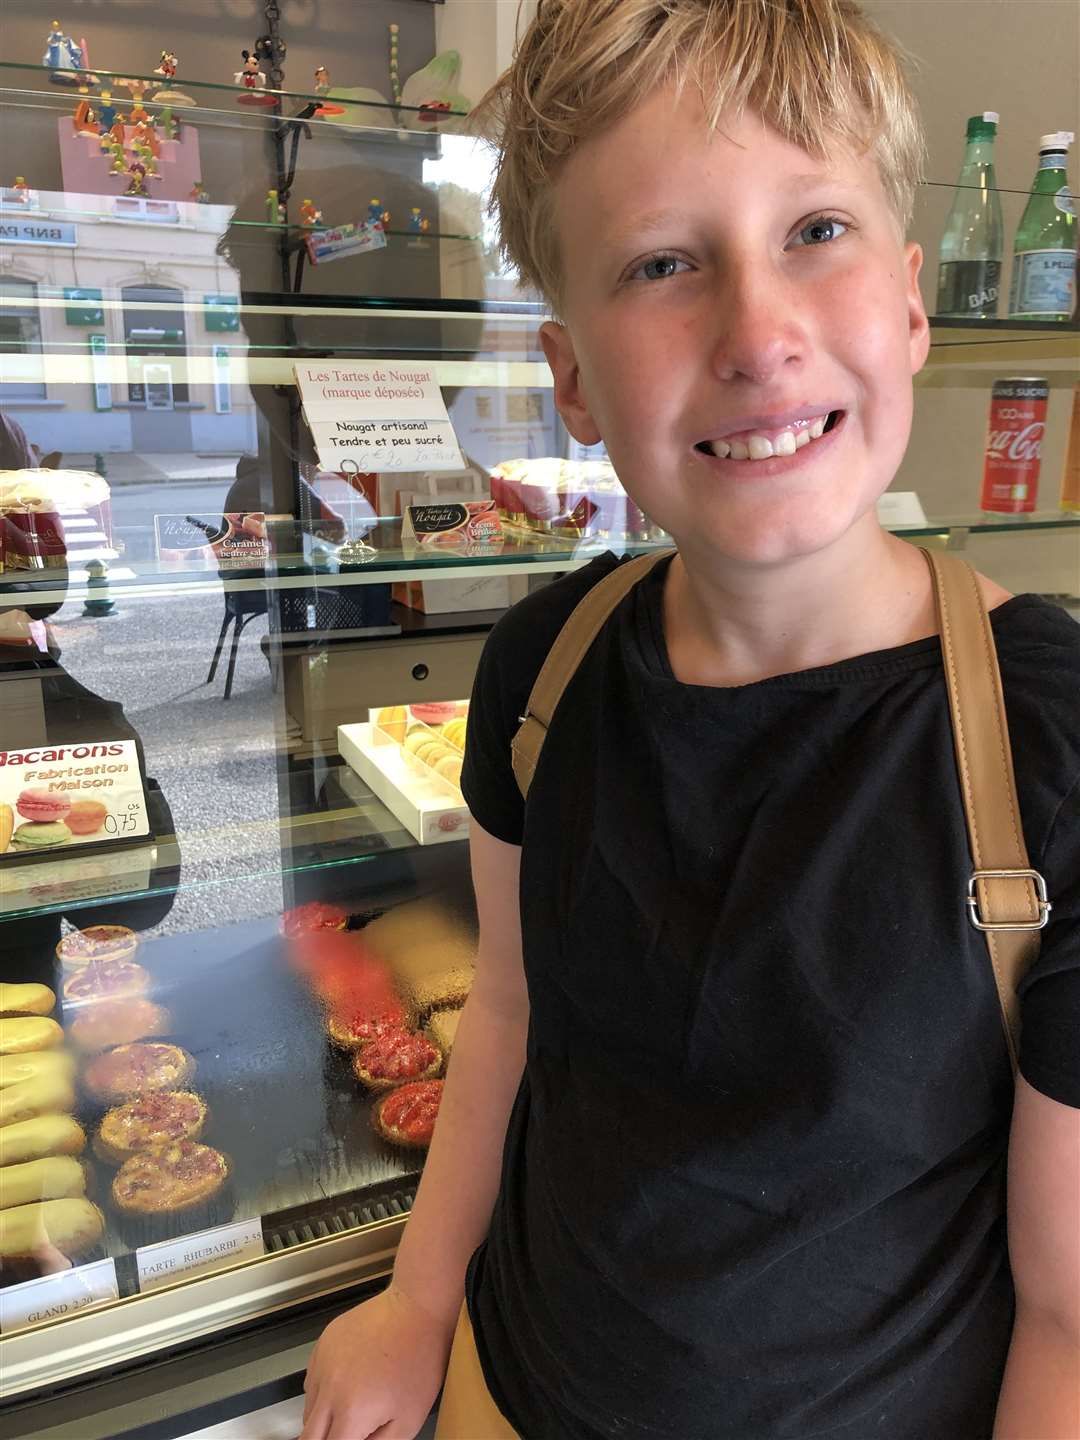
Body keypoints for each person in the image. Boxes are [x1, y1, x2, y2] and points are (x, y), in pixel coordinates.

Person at [299, 2, 1080, 1437]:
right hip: (513, 1391)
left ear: (912, 305)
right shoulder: (546, 673)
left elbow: (1068, 1313)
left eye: (817, 231)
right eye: (663, 262)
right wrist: (418, 1299)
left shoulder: (1052, 743)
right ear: (576, 378)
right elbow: (514, 1022)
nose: (759, 333)